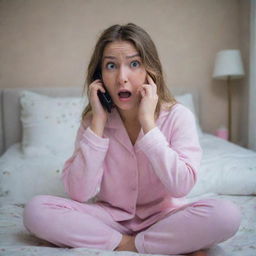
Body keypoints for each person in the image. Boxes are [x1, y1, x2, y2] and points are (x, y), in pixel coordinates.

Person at [23, 23, 242, 256]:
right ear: (100, 76)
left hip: (164, 218)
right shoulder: (93, 121)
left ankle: (130, 242)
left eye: (134, 64)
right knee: (36, 211)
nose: (122, 78)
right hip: (109, 218)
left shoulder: (178, 116)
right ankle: (139, 244)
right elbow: (79, 192)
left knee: (227, 215)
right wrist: (98, 122)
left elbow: (181, 187)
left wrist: (148, 123)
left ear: (151, 70)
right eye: (111, 66)